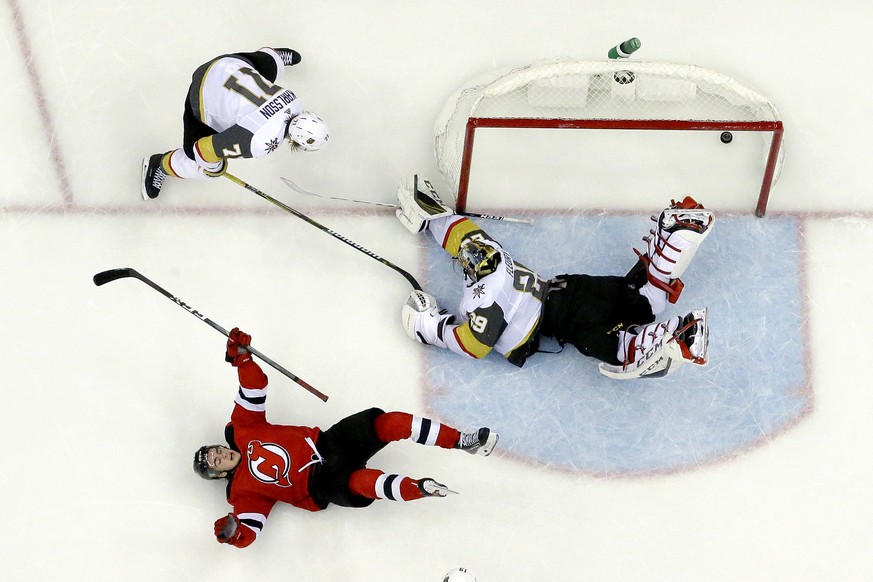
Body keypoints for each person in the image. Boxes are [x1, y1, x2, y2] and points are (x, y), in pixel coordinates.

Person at [194, 328, 499, 549]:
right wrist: (234, 533)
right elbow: (249, 531)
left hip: (328, 442)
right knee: (365, 483)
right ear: (219, 474)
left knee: (390, 423)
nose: (219, 454)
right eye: (214, 462)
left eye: (214, 450)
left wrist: (243, 361)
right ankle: (419, 488)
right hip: (320, 484)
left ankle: (462, 441)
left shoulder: (242, 429)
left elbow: (255, 386)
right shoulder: (242, 493)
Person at [395, 175, 714, 379]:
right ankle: (674, 237)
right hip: (573, 288)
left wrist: (429, 326)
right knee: (641, 297)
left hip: (566, 316)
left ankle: (680, 336)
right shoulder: (490, 252)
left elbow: (474, 346)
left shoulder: (487, 302)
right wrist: (431, 217)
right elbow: (460, 233)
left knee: (612, 345)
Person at [142, 47, 329, 201]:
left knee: (263, 66)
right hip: (200, 94)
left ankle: (274, 58)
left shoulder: (294, 100)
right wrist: (215, 168)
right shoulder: (261, 142)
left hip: (226, 63)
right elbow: (203, 149)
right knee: (199, 161)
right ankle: (159, 165)